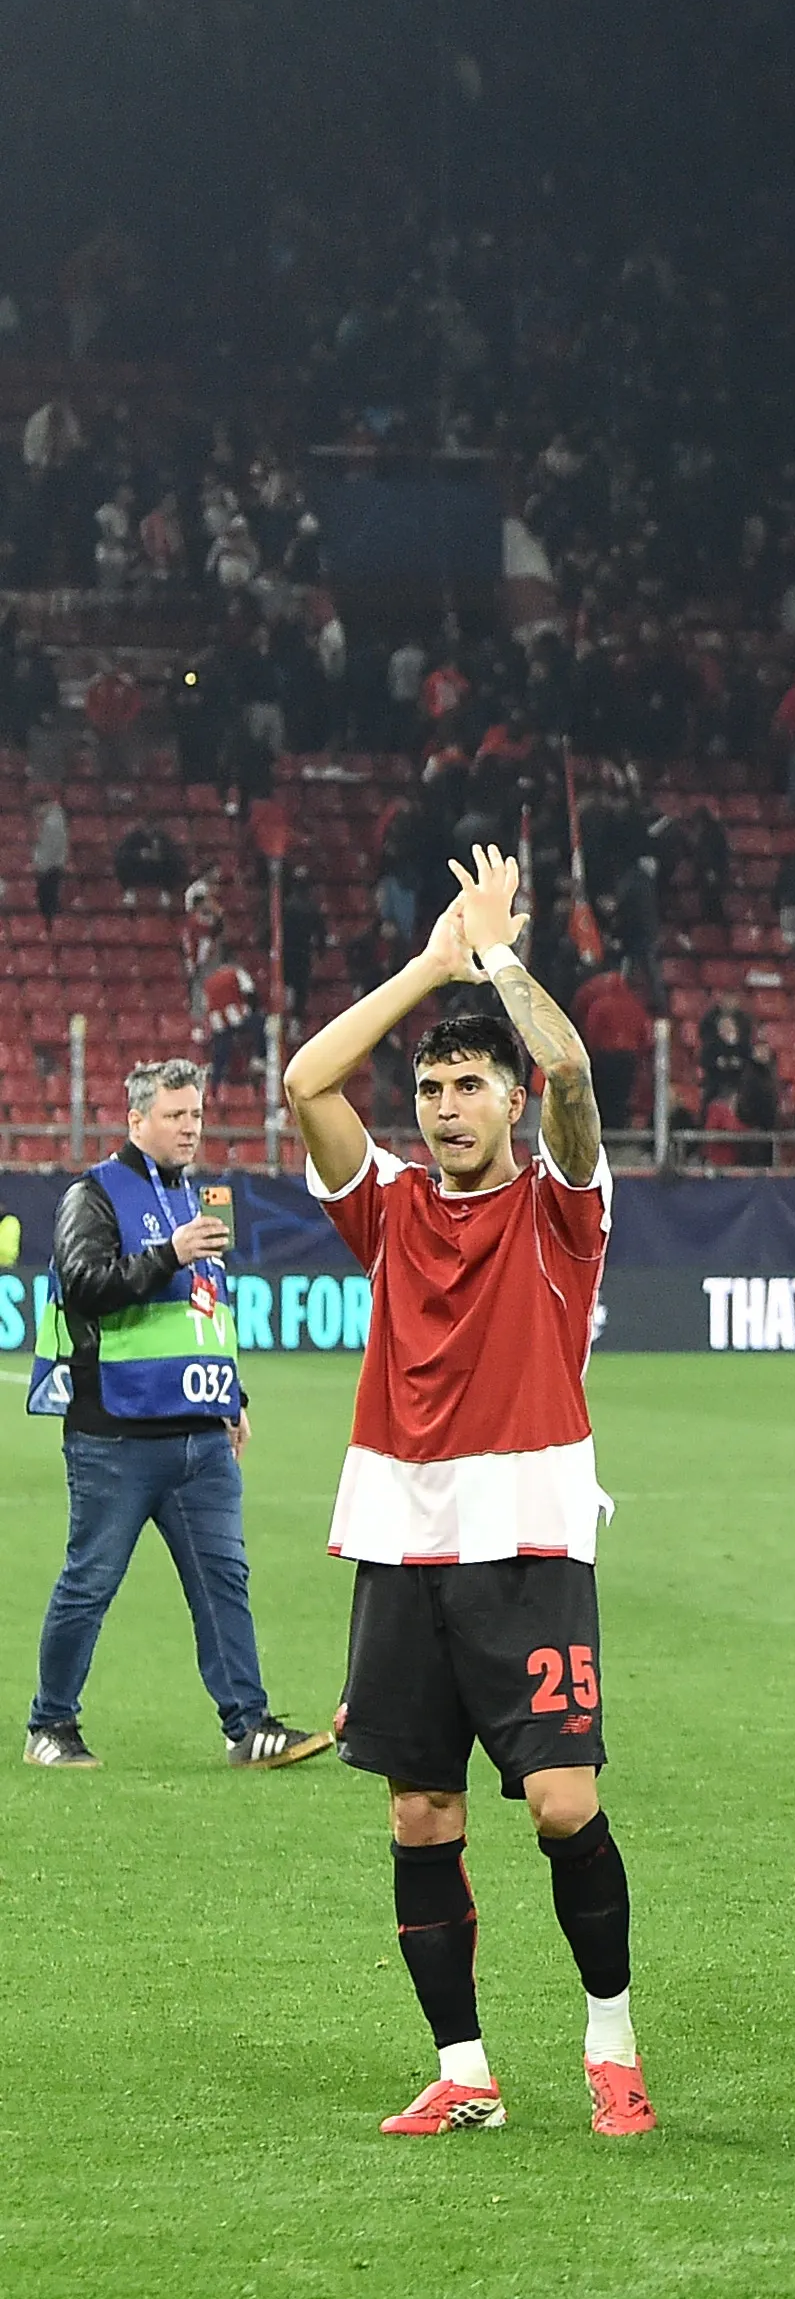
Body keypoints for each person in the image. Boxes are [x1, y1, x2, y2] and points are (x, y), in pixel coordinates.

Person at [281, 846, 647, 2137]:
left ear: (508, 1099)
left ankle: (611, 2048)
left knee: (562, 1802)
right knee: (420, 1810)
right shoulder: (384, 1207)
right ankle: (465, 2072)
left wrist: (497, 964)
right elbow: (307, 1080)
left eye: (468, 1086)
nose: (443, 1108)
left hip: (532, 1540)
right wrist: (430, 967)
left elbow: (582, 1078)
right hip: (401, 1546)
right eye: (431, 1089)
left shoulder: (561, 1211)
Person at [25, 1059, 322, 1770]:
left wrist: (231, 1395)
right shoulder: (93, 1195)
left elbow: (204, 1313)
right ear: (135, 1120)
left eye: (195, 1114)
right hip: (116, 1433)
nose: (190, 1127)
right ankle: (51, 1726)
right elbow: (85, 1286)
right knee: (89, 1583)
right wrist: (168, 1252)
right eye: (174, 1115)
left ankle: (247, 1725)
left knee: (225, 1582)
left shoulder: (197, 1197)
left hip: (199, 1435)